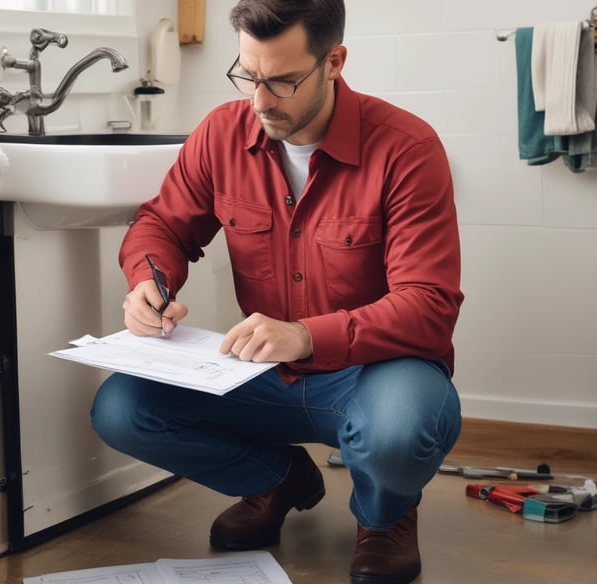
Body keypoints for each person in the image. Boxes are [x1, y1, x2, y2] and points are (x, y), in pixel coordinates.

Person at [91, 1, 463, 582]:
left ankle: (385, 516)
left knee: (395, 432)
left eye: (284, 81)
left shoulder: (406, 150)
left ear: (334, 62)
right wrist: (149, 282)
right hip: (264, 372)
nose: (260, 101)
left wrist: (303, 336)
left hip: (376, 371)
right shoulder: (221, 133)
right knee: (122, 408)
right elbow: (160, 225)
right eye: (248, 75)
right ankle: (274, 480)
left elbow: (429, 307)